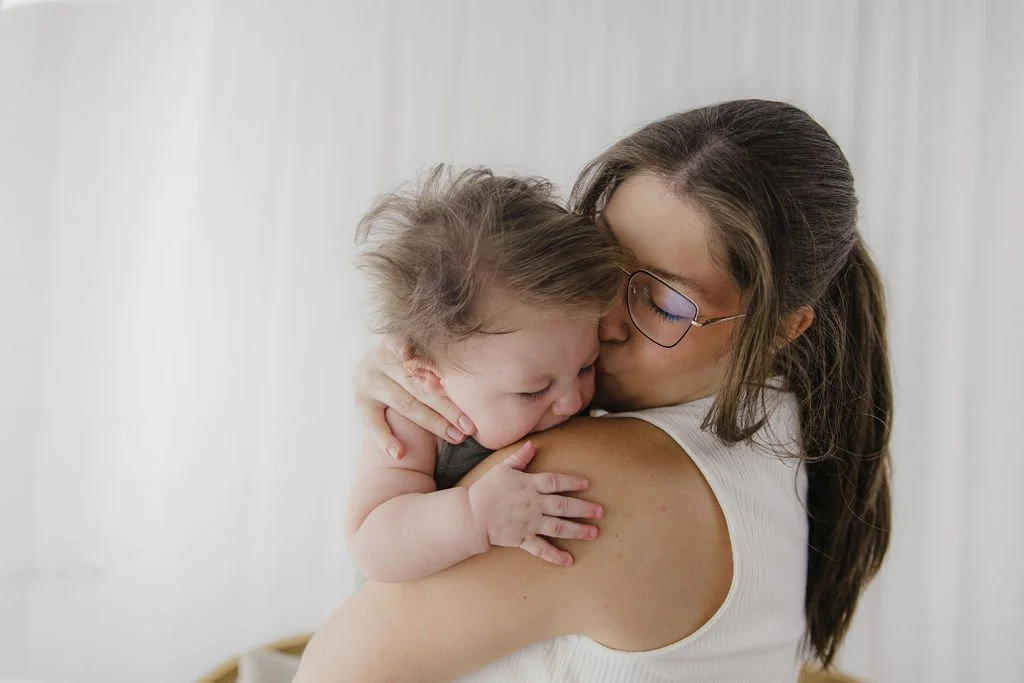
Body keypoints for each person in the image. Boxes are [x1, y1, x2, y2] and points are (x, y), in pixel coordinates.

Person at [294, 99, 893, 683]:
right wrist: (439, 367)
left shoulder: (582, 482)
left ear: (783, 330)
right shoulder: (777, 411)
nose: (602, 318)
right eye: (600, 260)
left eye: (663, 303)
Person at [347, 166, 619, 582]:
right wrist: (474, 516)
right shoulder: (415, 422)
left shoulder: (556, 369)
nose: (572, 400)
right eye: (534, 391)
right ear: (432, 380)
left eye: (586, 366)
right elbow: (371, 543)